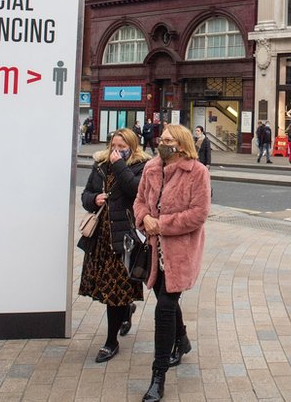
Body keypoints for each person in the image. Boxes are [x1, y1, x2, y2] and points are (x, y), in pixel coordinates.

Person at [133, 124, 210, 401]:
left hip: (180, 253)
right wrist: (144, 218)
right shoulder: (151, 167)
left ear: (181, 144)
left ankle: (158, 375)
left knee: (164, 309)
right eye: (161, 138)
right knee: (167, 302)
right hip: (155, 252)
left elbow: (198, 214)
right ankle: (183, 340)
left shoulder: (197, 172)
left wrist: (161, 224)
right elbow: (139, 201)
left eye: (168, 139)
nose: (161, 143)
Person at [79, 128, 148, 364]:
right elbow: (86, 195)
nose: (116, 151)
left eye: (122, 147)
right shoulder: (100, 165)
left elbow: (136, 190)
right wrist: (93, 199)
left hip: (124, 239)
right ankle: (126, 311)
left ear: (132, 147)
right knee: (108, 290)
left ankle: (111, 342)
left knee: (114, 292)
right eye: (113, 146)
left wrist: (120, 165)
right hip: (101, 238)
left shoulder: (141, 166)